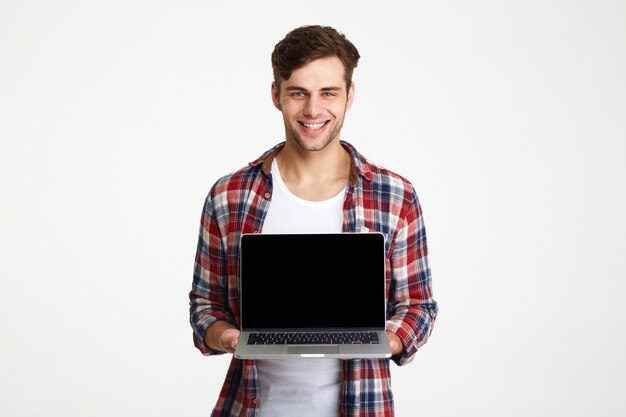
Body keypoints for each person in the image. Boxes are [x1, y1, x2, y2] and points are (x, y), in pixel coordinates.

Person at [189, 24, 438, 417]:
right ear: (276, 95)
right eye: (298, 92)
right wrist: (227, 336)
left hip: (363, 407)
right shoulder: (229, 196)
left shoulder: (395, 197)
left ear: (349, 96)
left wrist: (385, 340)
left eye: (328, 93)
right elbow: (205, 305)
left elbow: (418, 306)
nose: (313, 110)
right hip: (252, 407)